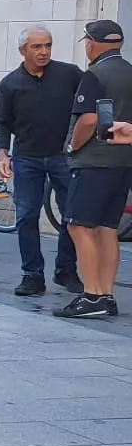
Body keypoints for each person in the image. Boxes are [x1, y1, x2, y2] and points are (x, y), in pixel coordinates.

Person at [0, 26, 82, 297]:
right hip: (27, 158)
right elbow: (2, 122)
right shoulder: (10, 84)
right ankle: (32, 274)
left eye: (48, 45)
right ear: (23, 51)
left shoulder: (69, 74)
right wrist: (2, 153)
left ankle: (66, 270)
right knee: (27, 215)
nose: (44, 52)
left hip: (63, 157)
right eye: (36, 47)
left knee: (72, 215)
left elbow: (87, 108)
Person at [55, 19, 132, 319]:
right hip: (123, 161)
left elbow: (88, 120)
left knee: (78, 225)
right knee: (106, 228)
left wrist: (73, 146)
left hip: (94, 162)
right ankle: (107, 294)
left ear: (92, 42)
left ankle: (92, 295)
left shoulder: (95, 74)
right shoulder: (128, 72)